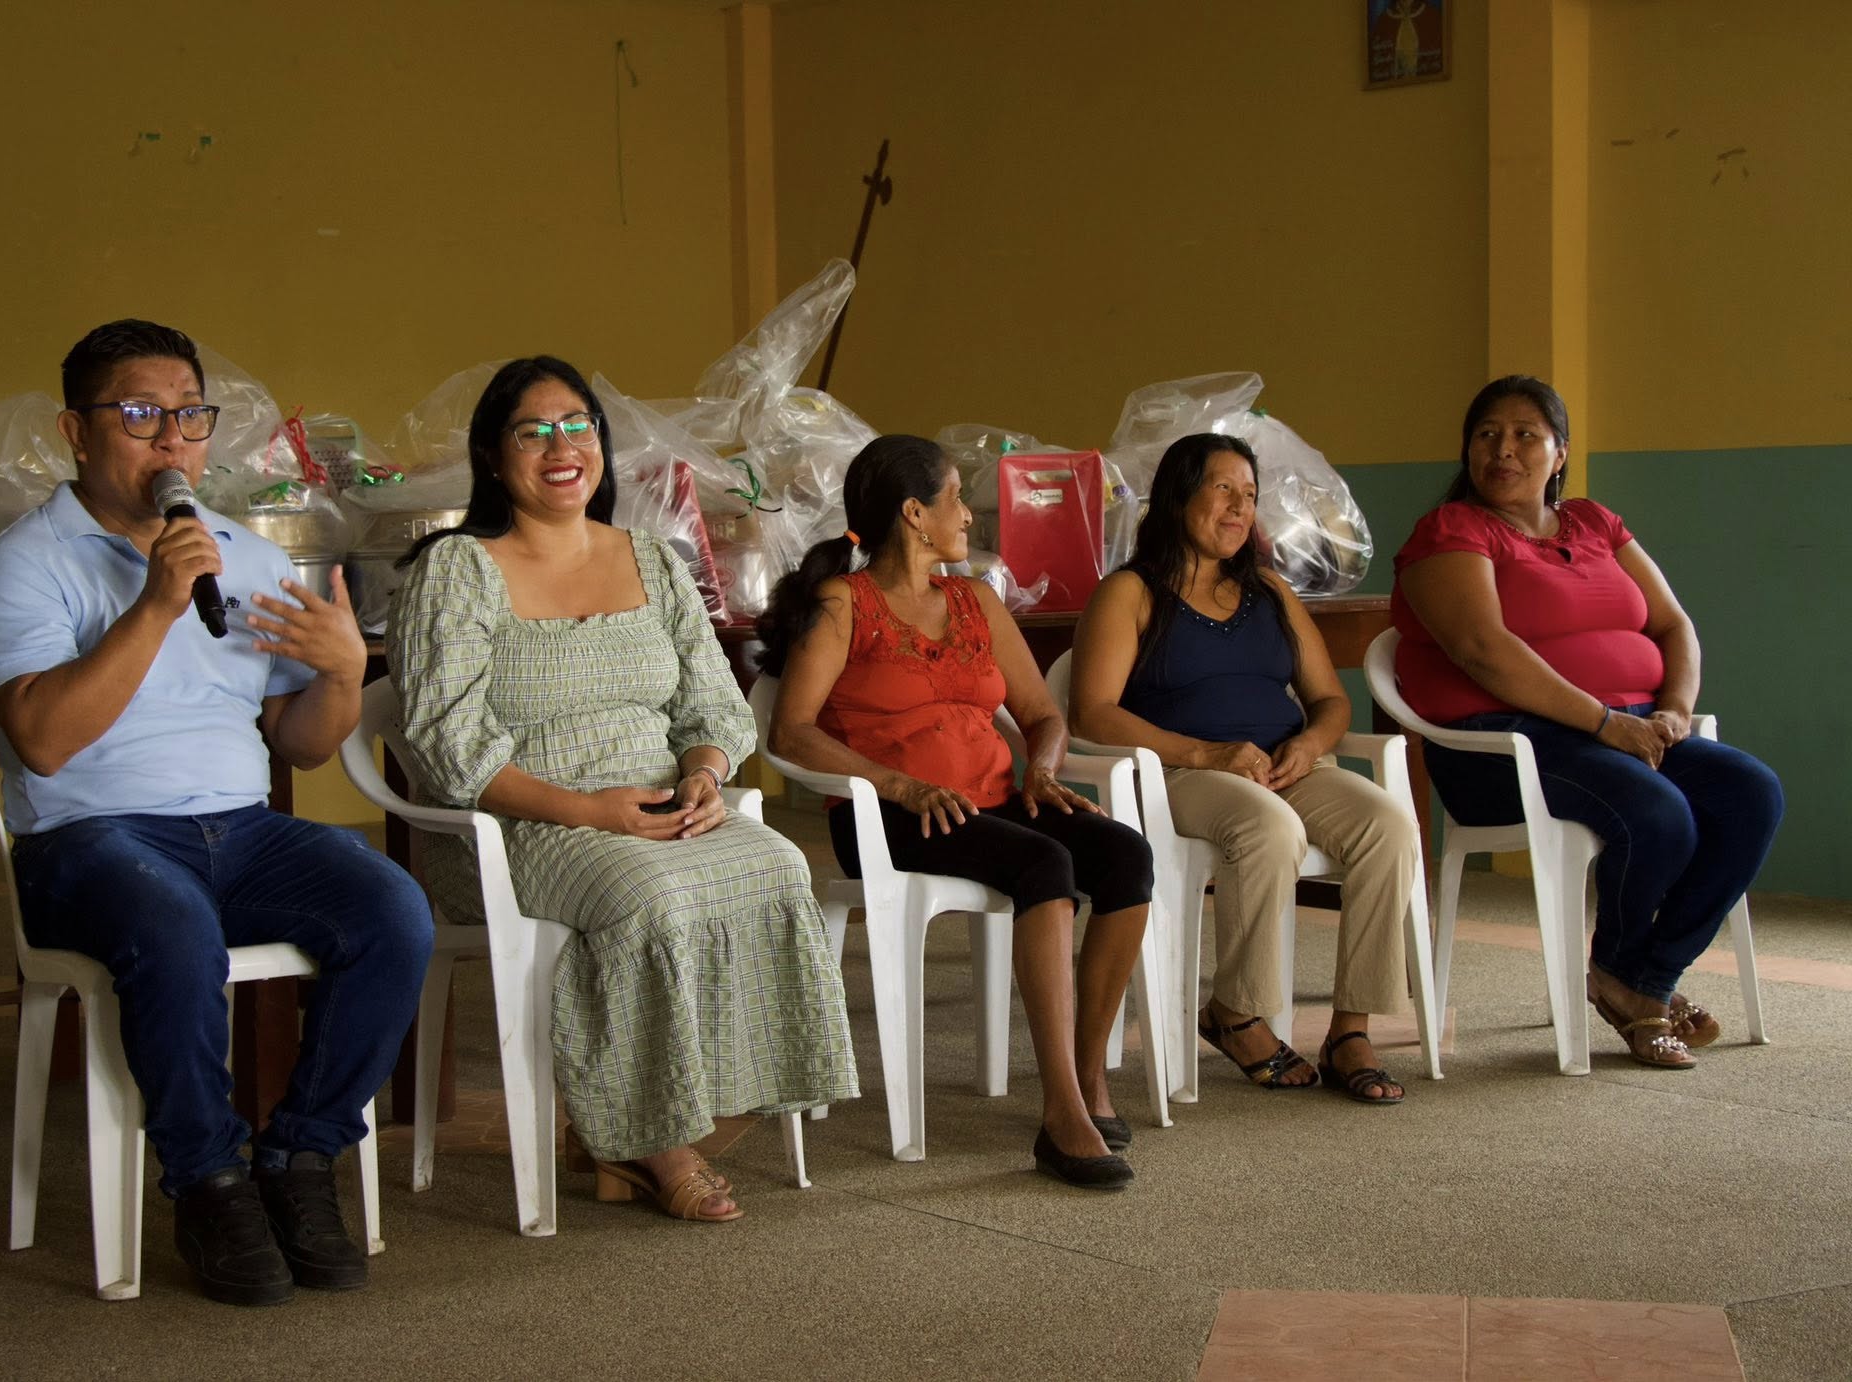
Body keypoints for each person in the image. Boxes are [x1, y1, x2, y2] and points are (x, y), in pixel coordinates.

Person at [0, 319, 434, 1307]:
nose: (172, 440)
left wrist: (342, 675)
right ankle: (208, 1180)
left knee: (392, 908)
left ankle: (299, 1156)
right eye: (141, 415)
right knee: (174, 927)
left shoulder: (246, 556)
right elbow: (42, 740)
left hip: (240, 829)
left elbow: (301, 744)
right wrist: (154, 605)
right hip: (88, 838)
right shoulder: (26, 559)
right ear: (76, 431)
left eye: (189, 415)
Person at [384, 356, 857, 1225]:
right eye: (533, 432)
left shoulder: (651, 559)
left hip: (659, 803)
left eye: (578, 427)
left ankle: (671, 1110)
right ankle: (647, 1139)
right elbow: (448, 747)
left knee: (781, 866)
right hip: (519, 823)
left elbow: (714, 704)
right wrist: (588, 810)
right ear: (493, 455)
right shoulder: (456, 570)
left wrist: (704, 774)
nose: (561, 448)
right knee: (647, 897)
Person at [762, 435, 1153, 1188]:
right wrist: (899, 785)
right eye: (955, 498)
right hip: (890, 818)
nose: (968, 515)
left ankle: (1086, 1077)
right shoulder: (845, 603)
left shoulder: (977, 601)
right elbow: (792, 730)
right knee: (1046, 864)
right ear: (914, 513)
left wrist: (1042, 771)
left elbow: (1044, 715)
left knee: (1124, 855)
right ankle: (1062, 1114)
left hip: (994, 802)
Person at [1392, 375, 1783, 1069]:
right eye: (1487, 435)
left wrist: (1675, 710)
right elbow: (1481, 649)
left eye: (1525, 435)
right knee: (1659, 813)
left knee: (1751, 794)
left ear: (1560, 454)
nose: (1503, 450)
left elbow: (1673, 625)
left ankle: (1640, 977)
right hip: (1502, 745)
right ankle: (1634, 983)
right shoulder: (1450, 530)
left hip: (1628, 729)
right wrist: (1604, 723)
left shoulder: (1596, 523)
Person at [1068, 433, 1418, 1105]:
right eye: (1222, 488)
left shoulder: (1270, 592)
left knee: (1390, 826)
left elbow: (1330, 700)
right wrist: (1205, 752)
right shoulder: (1130, 592)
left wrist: (1309, 745)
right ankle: (1235, 1011)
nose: (1239, 508)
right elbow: (1092, 712)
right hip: (1182, 773)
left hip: (1283, 765)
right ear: (1178, 496)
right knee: (1269, 827)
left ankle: (1350, 1030)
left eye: (1249, 495)